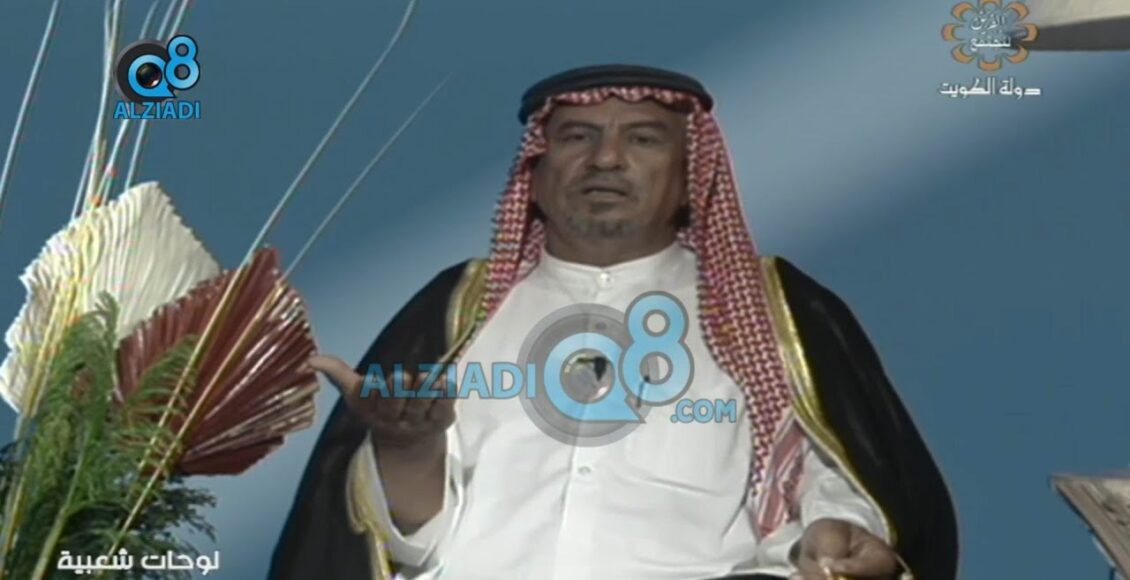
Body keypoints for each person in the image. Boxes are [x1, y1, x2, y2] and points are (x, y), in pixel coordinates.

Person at [269, 65, 958, 580]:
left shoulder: (774, 309)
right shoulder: (458, 310)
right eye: (577, 136)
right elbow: (392, 544)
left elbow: (837, 484)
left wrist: (840, 533)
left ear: (691, 175)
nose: (606, 159)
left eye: (644, 139)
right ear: (536, 170)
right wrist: (405, 449)